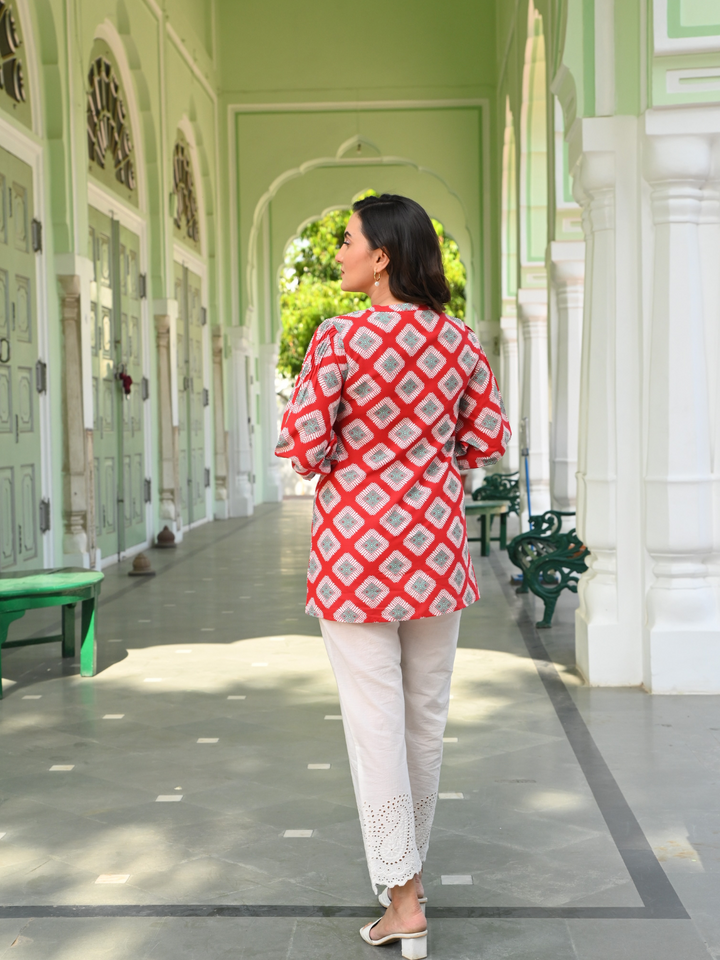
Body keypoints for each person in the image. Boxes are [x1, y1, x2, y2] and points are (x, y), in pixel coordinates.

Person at [275, 194, 510, 958]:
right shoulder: (460, 343)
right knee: (424, 722)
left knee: (373, 723)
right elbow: (481, 441)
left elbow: (305, 447)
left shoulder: (339, 339)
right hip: (435, 552)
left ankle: (403, 899)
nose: (337, 253)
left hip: (355, 559)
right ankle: (407, 881)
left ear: (381, 258)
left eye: (346, 242)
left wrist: (362, 456)